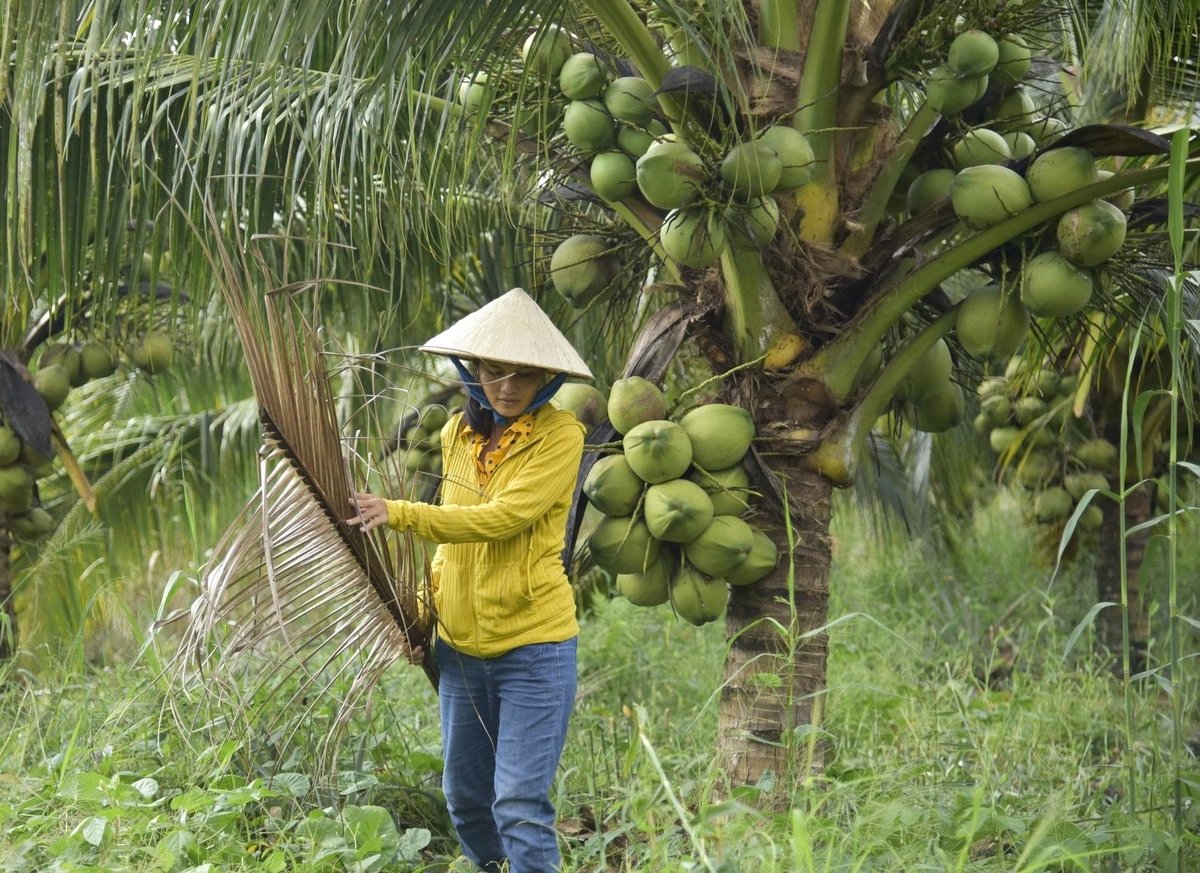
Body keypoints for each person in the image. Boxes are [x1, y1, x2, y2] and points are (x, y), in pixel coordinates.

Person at [347, 287, 593, 873]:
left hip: (533, 650)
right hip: (458, 654)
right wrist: (421, 614)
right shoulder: (457, 431)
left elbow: (501, 519)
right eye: (492, 370)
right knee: (466, 804)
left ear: (547, 380)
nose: (506, 387)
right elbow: (449, 551)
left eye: (523, 375)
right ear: (471, 368)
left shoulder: (562, 437)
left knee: (519, 805)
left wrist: (399, 512)